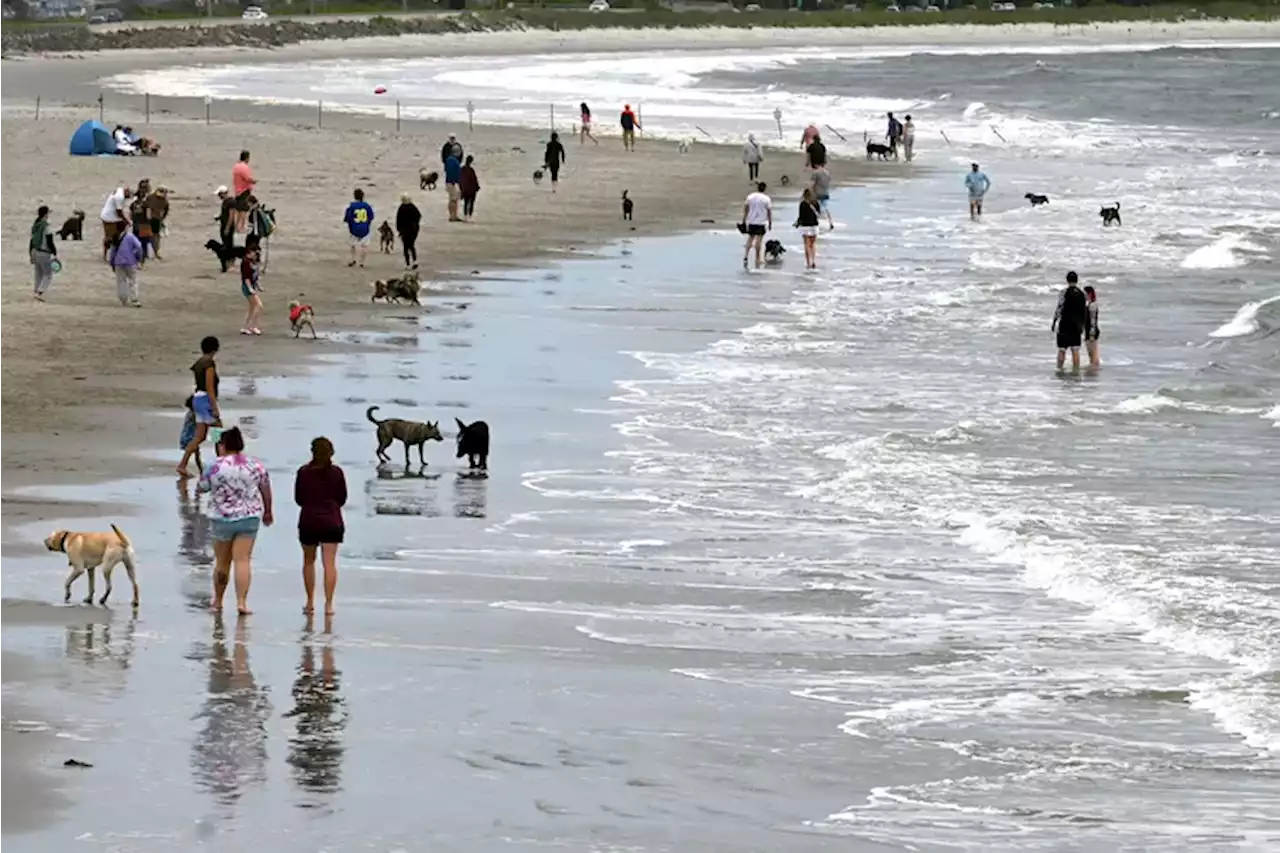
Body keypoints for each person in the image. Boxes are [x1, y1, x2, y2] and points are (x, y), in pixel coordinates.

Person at [198, 426, 273, 617]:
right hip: (249, 517)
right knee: (243, 560)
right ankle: (242, 602)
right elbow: (265, 488)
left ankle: (218, 600)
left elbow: (202, 487)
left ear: (222, 445)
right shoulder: (255, 465)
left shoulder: (214, 466)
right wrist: (268, 511)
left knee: (222, 562)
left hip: (221, 518)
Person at [295, 436, 347, 616]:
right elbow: (342, 498)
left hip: (309, 519)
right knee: (329, 564)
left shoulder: (303, 472)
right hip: (332, 520)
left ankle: (310, 602)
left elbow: (299, 499)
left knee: (309, 561)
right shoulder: (337, 473)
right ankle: (329, 604)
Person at [179, 335, 221, 477]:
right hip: (205, 401)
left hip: (198, 399)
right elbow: (209, 387)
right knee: (218, 432)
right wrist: (214, 407)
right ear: (215, 349)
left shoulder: (199, 363)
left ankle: (183, 464)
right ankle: (221, 462)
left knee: (200, 436)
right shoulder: (209, 364)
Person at [1052, 271, 1089, 372]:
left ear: (1067, 280)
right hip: (1077, 326)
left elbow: (1059, 308)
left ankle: (1059, 370)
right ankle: (1076, 371)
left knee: (1062, 350)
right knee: (1075, 350)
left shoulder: (1064, 292)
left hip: (1064, 324)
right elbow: (1085, 310)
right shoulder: (1083, 294)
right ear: (1077, 280)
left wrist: (1054, 322)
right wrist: (1083, 325)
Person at [108, 227, 143, 308]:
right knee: (133, 280)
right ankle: (134, 299)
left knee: (121, 281)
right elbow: (139, 247)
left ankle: (123, 299)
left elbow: (112, 251)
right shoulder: (130, 236)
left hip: (118, 262)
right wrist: (139, 258)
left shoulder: (115, 237)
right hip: (130, 261)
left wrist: (112, 262)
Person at [740, 181, 772, 270]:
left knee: (750, 238)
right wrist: (770, 223)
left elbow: (746, 208)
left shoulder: (750, 197)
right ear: (764, 189)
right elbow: (769, 211)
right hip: (761, 222)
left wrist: (744, 220)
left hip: (751, 221)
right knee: (759, 240)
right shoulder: (766, 199)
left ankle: (746, 256)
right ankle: (757, 258)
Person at [30, 205, 56, 302]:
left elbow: (31, 240)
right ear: (45, 214)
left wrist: (31, 253)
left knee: (38, 273)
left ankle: (36, 291)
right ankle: (40, 292)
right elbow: (50, 241)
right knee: (48, 274)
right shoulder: (46, 226)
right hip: (44, 252)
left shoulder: (35, 225)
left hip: (35, 251)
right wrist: (54, 252)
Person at [99, 185, 132, 263]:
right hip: (109, 218)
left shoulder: (120, 190)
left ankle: (118, 252)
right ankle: (106, 255)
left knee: (120, 234)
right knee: (109, 237)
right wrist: (127, 221)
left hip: (114, 217)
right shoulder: (119, 198)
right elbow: (119, 212)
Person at [343, 188, 374, 267]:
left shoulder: (351, 206)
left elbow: (347, 218)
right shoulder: (367, 206)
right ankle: (362, 262)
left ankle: (353, 259)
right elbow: (371, 217)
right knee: (365, 246)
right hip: (365, 228)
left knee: (352, 244)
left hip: (354, 228)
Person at [240, 236, 264, 335]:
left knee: (252, 308)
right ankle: (253, 326)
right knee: (258, 305)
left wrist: (258, 286)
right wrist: (250, 289)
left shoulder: (253, 262)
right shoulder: (245, 263)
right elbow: (246, 278)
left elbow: (255, 276)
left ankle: (246, 327)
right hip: (247, 287)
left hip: (251, 286)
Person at [796, 188, 822, 270]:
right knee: (813, 244)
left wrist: (797, 223)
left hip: (805, 226)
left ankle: (808, 263)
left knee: (806, 244)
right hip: (814, 225)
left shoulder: (803, 204)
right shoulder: (816, 203)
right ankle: (813, 261)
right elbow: (819, 214)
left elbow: (801, 216)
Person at [232, 150, 256, 234]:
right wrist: (254, 181)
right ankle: (242, 227)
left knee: (238, 210)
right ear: (247, 158)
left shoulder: (236, 166)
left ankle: (236, 227)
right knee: (244, 210)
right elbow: (247, 178)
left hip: (237, 190)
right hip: (244, 190)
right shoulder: (244, 167)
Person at [395, 192, 421, 269]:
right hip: (413, 230)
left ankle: (407, 264)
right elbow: (418, 216)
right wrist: (416, 225)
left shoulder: (401, 208)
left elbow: (398, 220)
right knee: (411, 245)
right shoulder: (413, 207)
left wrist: (399, 230)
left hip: (404, 230)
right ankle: (415, 261)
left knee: (406, 247)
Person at [180, 396, 204, 475]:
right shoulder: (194, 414)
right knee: (193, 453)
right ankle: (182, 466)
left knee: (196, 454)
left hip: (187, 435)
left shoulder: (190, 413)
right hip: (191, 436)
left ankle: (201, 471)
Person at [130, 180, 153, 263]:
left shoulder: (133, 204)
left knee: (136, 243)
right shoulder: (147, 204)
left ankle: (136, 258)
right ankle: (142, 260)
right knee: (144, 244)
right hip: (144, 226)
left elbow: (131, 215)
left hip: (136, 225)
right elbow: (148, 216)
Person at [216, 185, 237, 272]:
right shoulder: (225, 202)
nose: (219, 196)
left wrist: (228, 228)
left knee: (228, 244)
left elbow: (231, 216)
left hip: (228, 226)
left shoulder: (231, 202)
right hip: (223, 225)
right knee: (226, 243)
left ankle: (230, 263)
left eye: (220, 194)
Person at [146, 186, 170, 260]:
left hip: (155, 219)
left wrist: (162, 218)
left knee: (155, 236)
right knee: (149, 236)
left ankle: (155, 252)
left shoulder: (164, 201)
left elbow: (166, 210)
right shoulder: (151, 197)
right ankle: (151, 253)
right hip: (150, 219)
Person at [810, 164, 834, 230]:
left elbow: (812, 184)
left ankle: (815, 223)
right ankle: (830, 222)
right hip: (825, 193)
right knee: (825, 208)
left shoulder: (816, 173)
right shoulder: (827, 173)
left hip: (817, 194)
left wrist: (811, 193)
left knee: (815, 209)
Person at [1084, 285, 1101, 367]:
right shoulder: (1090, 304)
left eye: (1085, 294)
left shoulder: (1092, 305)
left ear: (1089, 294)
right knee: (1091, 354)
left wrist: (1091, 334)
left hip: (1091, 331)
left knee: (1093, 354)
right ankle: (1093, 370)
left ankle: (1094, 371)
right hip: (1089, 331)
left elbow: (1093, 320)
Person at [459, 155, 480, 220]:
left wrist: (461, 188)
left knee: (466, 202)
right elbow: (474, 179)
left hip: (465, 189)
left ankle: (465, 216)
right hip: (471, 189)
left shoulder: (462, 169)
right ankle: (470, 216)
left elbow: (460, 179)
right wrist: (477, 187)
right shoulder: (471, 170)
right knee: (471, 203)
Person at [444, 151, 462, 222]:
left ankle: (453, 215)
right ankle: (452, 216)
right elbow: (451, 171)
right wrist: (454, 181)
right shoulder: (452, 160)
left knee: (453, 199)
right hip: (452, 182)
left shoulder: (450, 160)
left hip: (451, 182)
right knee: (453, 199)